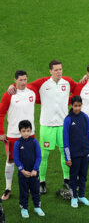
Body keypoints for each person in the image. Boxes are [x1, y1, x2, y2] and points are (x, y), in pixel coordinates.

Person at [8, 59, 77, 193]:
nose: (59, 72)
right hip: (47, 125)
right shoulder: (42, 83)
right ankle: (42, 182)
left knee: (65, 153)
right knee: (44, 155)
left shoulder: (67, 81)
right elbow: (24, 85)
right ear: (50, 71)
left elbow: (78, 88)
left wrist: (87, 79)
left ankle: (67, 180)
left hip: (63, 125)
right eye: (56, 70)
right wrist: (12, 86)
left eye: (60, 69)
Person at [0, 70, 36, 201]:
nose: (23, 82)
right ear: (15, 80)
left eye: (25, 79)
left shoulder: (32, 91)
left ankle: (30, 186)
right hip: (13, 134)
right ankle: (8, 188)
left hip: (30, 134)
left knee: (29, 160)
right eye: (20, 80)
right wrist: (1, 132)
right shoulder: (9, 94)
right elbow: (1, 113)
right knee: (10, 160)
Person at [63, 96, 89, 208]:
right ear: (71, 105)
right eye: (75, 106)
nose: (77, 108)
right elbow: (65, 140)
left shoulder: (85, 117)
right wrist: (68, 157)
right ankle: (74, 197)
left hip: (85, 153)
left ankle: (81, 195)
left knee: (83, 176)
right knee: (73, 176)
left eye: (79, 106)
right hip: (74, 155)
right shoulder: (68, 119)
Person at [13, 120, 44, 218]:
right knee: (24, 191)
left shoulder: (34, 142)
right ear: (20, 131)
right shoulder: (17, 143)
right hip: (23, 174)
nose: (26, 133)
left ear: (31, 131)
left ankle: (37, 207)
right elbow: (16, 158)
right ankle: (24, 208)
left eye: (28, 130)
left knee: (35, 190)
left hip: (34, 173)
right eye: (23, 131)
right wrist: (22, 170)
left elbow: (39, 156)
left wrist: (35, 169)